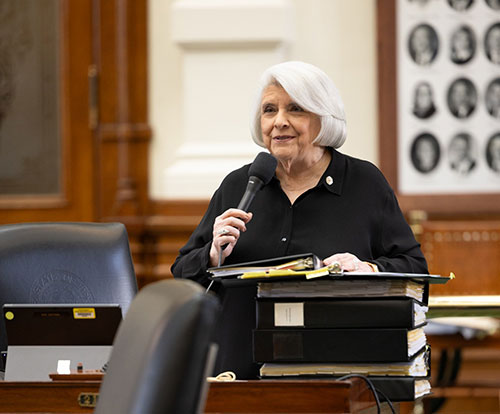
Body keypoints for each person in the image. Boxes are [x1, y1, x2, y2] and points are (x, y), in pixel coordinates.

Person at [171, 61, 428, 379]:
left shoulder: (364, 183)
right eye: (269, 110)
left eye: (295, 109)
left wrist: (369, 269)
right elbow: (182, 274)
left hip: (334, 375)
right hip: (239, 376)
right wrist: (212, 252)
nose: (279, 122)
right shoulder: (238, 186)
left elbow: (415, 269)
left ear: (324, 118)